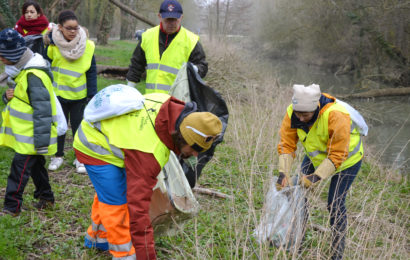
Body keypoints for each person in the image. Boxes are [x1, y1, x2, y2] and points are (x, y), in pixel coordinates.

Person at [73, 90, 222, 259]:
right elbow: (138, 211)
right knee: (117, 203)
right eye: (195, 150)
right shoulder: (149, 153)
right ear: (182, 138)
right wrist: (146, 255)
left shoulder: (170, 106)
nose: (195, 156)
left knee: (109, 191)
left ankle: (98, 238)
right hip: (94, 144)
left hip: (117, 138)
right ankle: (123, 254)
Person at [276, 84, 364, 260]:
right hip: (315, 156)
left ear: (316, 108)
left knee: (335, 204)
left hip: (347, 162)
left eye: (305, 115)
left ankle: (336, 252)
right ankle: (297, 240)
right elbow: (287, 144)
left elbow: (338, 154)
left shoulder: (336, 115)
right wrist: (283, 173)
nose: (300, 119)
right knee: (297, 195)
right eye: (298, 114)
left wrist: (315, 177)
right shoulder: (292, 112)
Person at [0, 29, 58, 216]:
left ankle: (11, 207)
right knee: (36, 168)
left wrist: (41, 142)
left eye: (3, 56)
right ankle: (46, 198)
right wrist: (6, 97)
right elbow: (21, 98)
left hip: (33, 136)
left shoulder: (33, 75)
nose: (1, 59)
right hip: (28, 135)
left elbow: (43, 111)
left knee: (19, 170)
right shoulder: (22, 72)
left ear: (14, 55)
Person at [43, 10, 97, 173]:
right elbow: (44, 65)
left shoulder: (88, 45)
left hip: (79, 95)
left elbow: (91, 70)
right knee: (59, 126)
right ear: (60, 28)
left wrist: (92, 93)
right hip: (58, 95)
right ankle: (57, 156)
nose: (73, 31)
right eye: (69, 28)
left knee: (79, 128)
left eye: (75, 28)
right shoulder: (53, 45)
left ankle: (80, 158)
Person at [126, 0, 208, 94]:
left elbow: (203, 67)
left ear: (181, 17)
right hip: (152, 100)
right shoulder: (147, 36)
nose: (171, 23)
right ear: (159, 16)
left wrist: (193, 69)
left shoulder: (191, 40)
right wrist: (130, 88)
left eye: (174, 19)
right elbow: (136, 64)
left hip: (178, 102)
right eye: (168, 19)